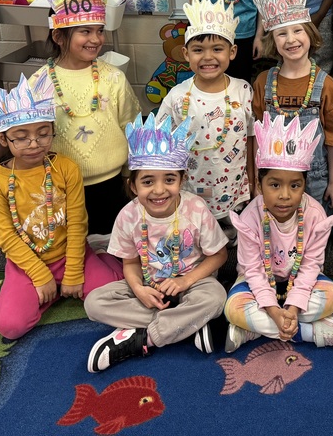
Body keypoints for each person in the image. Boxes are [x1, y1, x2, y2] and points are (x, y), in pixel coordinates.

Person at [0, 75, 122, 341]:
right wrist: (40, 275)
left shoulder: (66, 168)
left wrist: (72, 273)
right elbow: (7, 238)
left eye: (43, 134)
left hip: (72, 254)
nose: (34, 143)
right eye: (21, 138)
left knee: (115, 294)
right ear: (4, 139)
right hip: (27, 263)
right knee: (9, 327)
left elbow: (78, 222)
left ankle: (101, 258)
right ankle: (51, 290)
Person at [85, 113, 229, 371]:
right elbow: (129, 262)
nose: (159, 190)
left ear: (182, 180)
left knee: (216, 297)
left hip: (194, 282)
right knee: (94, 303)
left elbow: (219, 256)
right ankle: (187, 325)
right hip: (149, 287)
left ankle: (144, 337)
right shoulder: (128, 215)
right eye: (148, 181)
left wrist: (185, 281)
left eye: (169, 179)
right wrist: (139, 289)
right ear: (133, 185)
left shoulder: (195, 208)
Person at [224, 114, 333, 352]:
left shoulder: (315, 214)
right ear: (259, 183)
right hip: (257, 284)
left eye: (295, 186)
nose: (285, 195)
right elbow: (253, 271)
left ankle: (255, 330)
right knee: (232, 307)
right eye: (275, 185)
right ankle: (309, 332)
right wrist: (274, 310)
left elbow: (310, 266)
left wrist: (293, 308)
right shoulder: (250, 217)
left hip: (299, 282)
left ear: (304, 185)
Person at [30, 0, 140, 235]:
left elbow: (131, 125)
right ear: (58, 36)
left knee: (116, 249)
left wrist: (129, 172)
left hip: (113, 184)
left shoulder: (113, 77)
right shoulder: (39, 82)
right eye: (85, 31)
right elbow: (34, 135)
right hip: (62, 185)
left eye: (99, 30)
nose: (96, 39)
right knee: (74, 249)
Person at [155, 0, 254, 224]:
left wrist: (254, 179)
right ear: (186, 54)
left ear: (232, 52)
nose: (208, 57)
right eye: (198, 50)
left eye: (217, 49)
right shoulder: (177, 97)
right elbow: (163, 145)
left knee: (233, 239)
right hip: (192, 188)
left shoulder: (243, 91)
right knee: (198, 234)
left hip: (235, 188)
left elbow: (251, 138)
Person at [252, 0, 333, 211]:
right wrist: (256, 180)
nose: (291, 39)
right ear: (273, 42)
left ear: (311, 35)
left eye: (298, 31)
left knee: (317, 229)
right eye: (281, 34)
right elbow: (256, 137)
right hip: (273, 177)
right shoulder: (264, 82)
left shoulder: (325, 83)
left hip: (315, 177)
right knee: (276, 228)